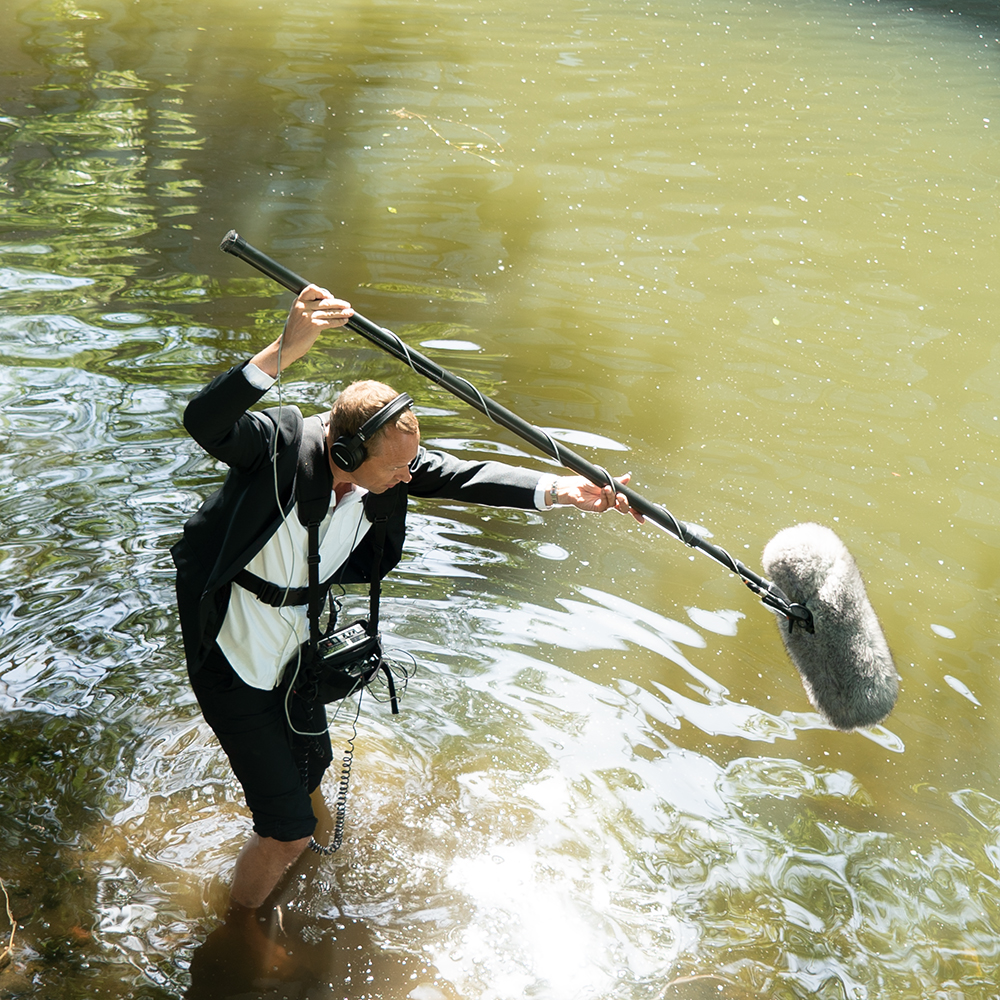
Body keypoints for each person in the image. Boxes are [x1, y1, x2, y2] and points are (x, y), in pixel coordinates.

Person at [171, 284, 640, 915]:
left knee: (311, 774)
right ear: (344, 451)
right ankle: (240, 927)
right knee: (286, 831)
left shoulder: (393, 469)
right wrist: (285, 350)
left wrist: (562, 491)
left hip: (299, 653)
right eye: (397, 468)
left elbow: (467, 477)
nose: (408, 477)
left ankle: (296, 867)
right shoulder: (276, 449)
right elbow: (204, 420)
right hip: (232, 657)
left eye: (411, 465)